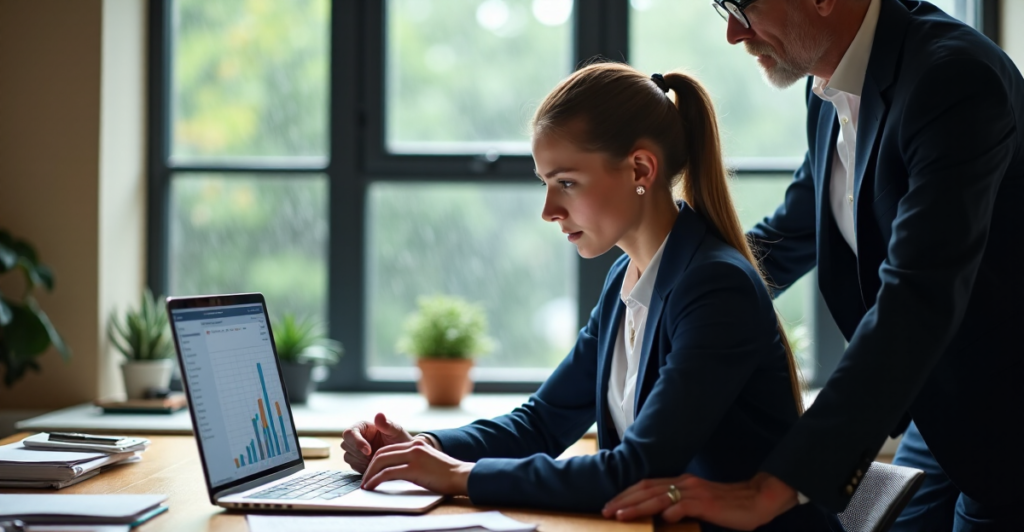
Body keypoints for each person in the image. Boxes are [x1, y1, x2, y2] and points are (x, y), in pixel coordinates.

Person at [340, 62, 840, 530]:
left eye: (567, 183)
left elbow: (637, 468)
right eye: (546, 183)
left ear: (640, 170)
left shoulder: (714, 287)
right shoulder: (628, 277)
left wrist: (457, 476)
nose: (548, 210)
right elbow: (541, 423)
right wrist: (420, 446)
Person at [603, 0, 1024, 530]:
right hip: (939, 402)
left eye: (743, 7)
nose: (733, 33)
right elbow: (792, 231)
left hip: (1006, 413)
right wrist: (674, 289)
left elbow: (916, 298)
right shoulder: (828, 89)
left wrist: (776, 486)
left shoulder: (954, 79)